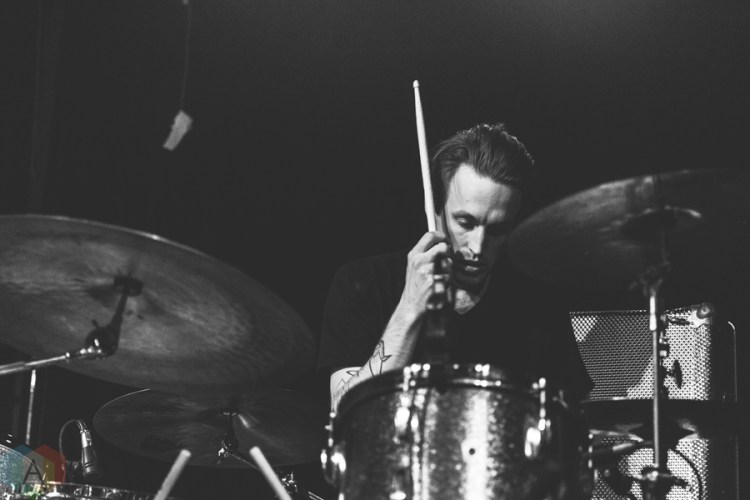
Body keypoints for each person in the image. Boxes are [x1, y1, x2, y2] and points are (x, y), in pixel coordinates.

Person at [317, 122, 592, 410]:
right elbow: (344, 410)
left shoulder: (537, 301)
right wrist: (410, 308)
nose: (478, 247)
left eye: (497, 230)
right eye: (465, 223)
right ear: (436, 209)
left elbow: (570, 416)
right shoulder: (363, 282)